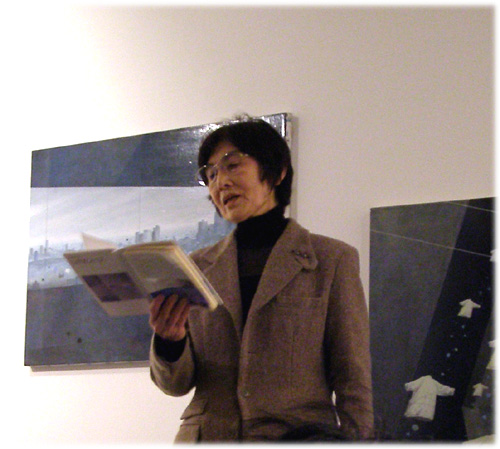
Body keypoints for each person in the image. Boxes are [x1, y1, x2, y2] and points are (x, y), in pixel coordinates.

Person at [149, 117, 373, 442]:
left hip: (295, 438)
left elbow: (353, 376)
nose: (221, 182)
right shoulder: (196, 267)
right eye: (211, 175)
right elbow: (174, 384)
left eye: (232, 165)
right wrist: (170, 341)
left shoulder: (331, 260)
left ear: (277, 172)